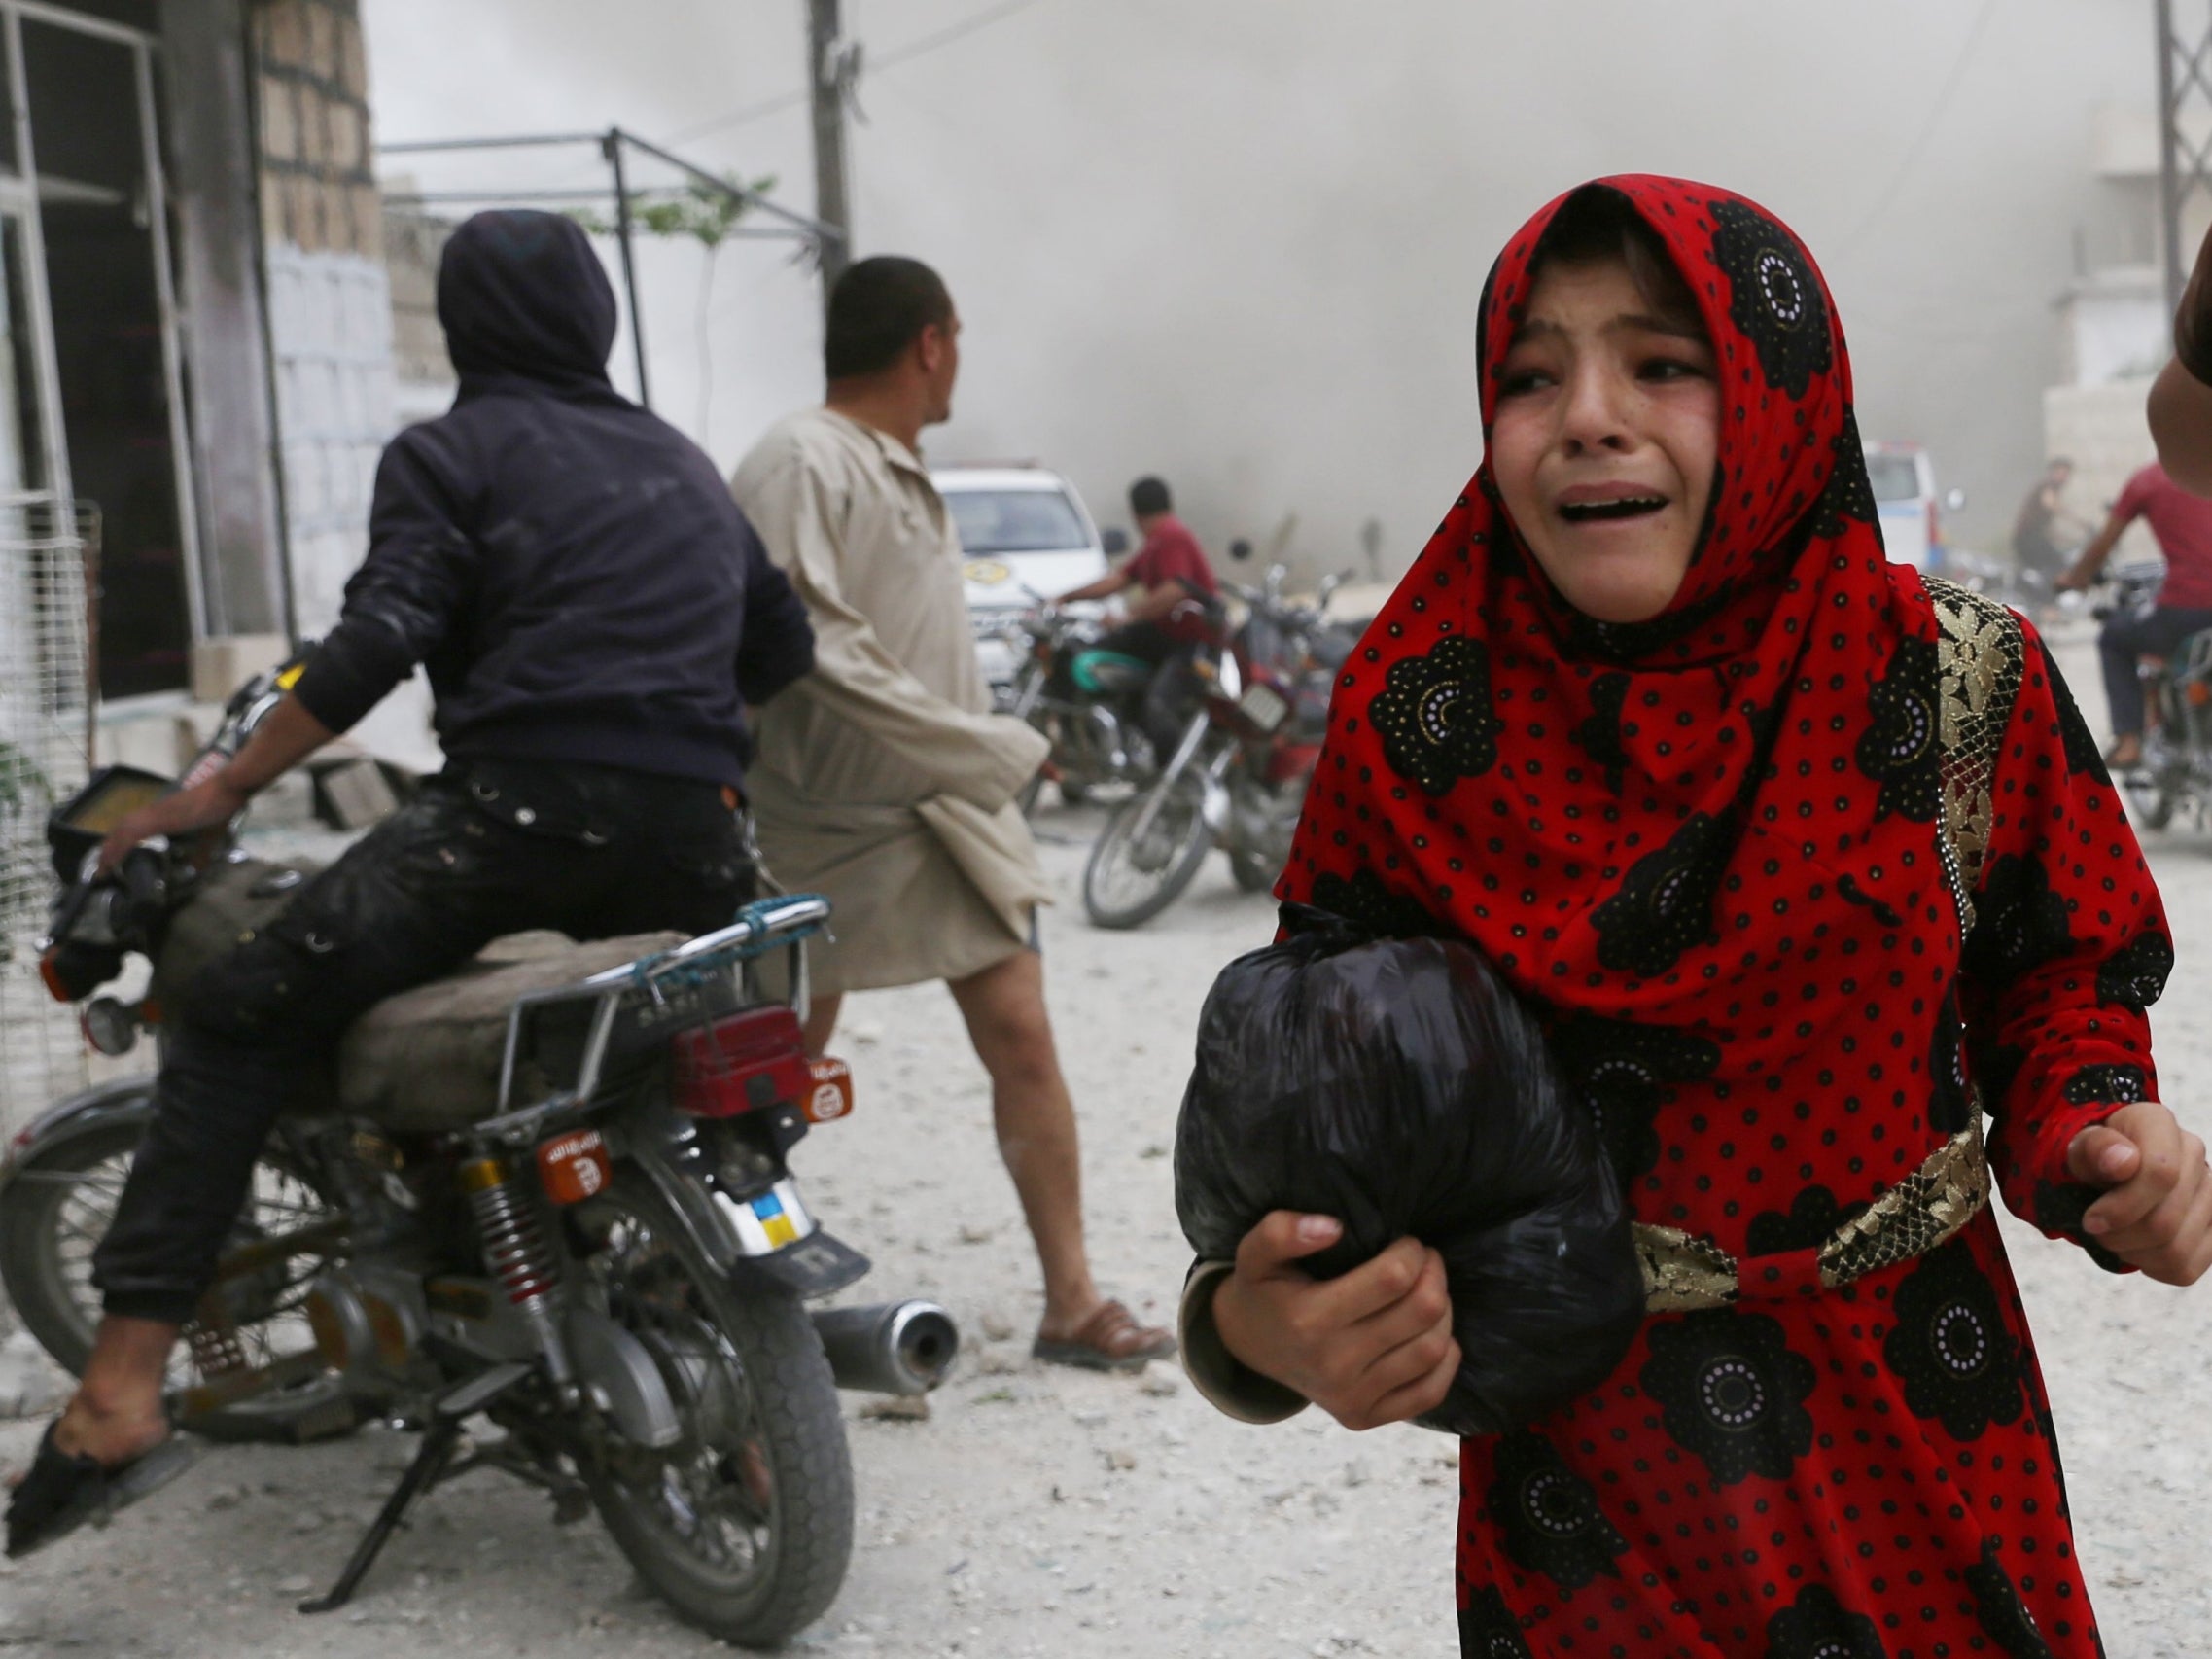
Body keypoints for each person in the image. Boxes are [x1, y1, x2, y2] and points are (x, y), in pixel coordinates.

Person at [1176, 178, 2210, 1656]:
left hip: (1925, 1425)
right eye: (1530, 375)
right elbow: (1312, 1109)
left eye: (1662, 362)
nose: (1586, 413)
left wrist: (2102, 1138)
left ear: (1783, 398)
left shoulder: (1955, 680)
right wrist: (1254, 1330)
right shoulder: (1417, 719)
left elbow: (2052, 983)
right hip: (1586, 1488)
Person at [6, 209, 817, 1558]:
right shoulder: (677, 461)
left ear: (462, 326)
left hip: (513, 816)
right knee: (683, 1071)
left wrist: (217, 786)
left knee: (238, 1015)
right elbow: (779, 646)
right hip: (696, 832)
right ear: (597, 318)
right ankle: (741, 1408)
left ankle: (120, 1392)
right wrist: (678, 731)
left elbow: (380, 635)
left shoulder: (449, 450)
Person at [727, 256, 1175, 1372]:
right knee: (779, 1066)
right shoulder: (800, 457)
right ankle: (726, 1296)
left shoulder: (903, 467)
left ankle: (1071, 1301)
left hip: (945, 813)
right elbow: (810, 642)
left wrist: (967, 758)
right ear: (930, 342)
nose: (959, 357)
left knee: (1021, 1031)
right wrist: (977, 745)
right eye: (957, 338)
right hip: (824, 819)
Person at [2054, 458, 2212, 767]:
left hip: (2186, 607)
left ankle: (2129, 741)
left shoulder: (2150, 480)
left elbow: (2104, 542)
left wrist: (2075, 578)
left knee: (2114, 636)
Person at [1053, 477, 1220, 754]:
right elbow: (1120, 579)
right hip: (1164, 636)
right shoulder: (1156, 542)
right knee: (1082, 653)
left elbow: (1176, 588)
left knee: (1157, 704)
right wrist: (1066, 597)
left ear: (1134, 513)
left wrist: (1127, 616)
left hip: (1192, 643)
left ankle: (1170, 775)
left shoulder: (1172, 536)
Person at [2010, 454, 2078, 588]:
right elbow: (2051, 504)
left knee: (2053, 563)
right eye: (2061, 472)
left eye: (2066, 473)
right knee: (2056, 564)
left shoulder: (2051, 489)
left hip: (2032, 537)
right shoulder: (2047, 487)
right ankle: (2047, 601)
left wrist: (2069, 538)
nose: (2064, 477)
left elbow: (2048, 527)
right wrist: (2079, 523)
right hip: (2027, 538)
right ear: (2053, 472)